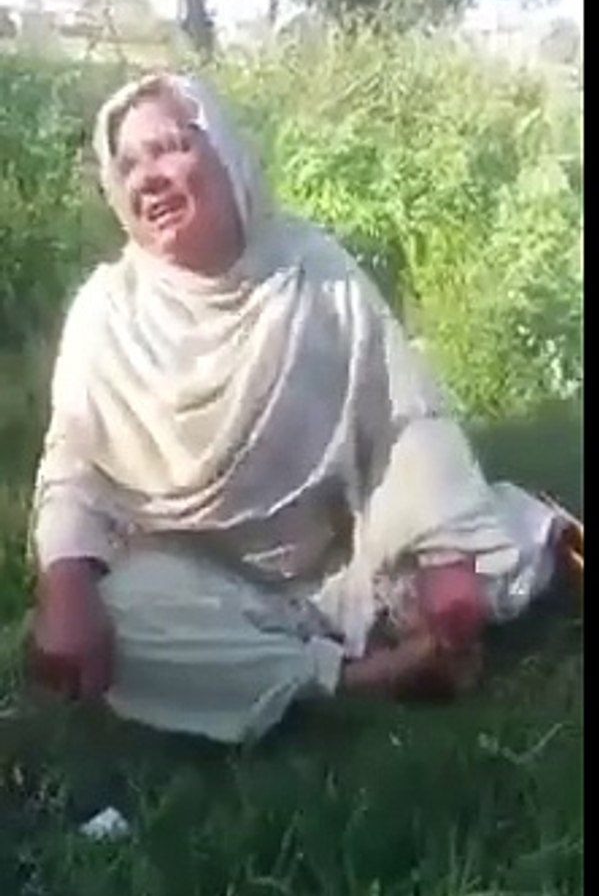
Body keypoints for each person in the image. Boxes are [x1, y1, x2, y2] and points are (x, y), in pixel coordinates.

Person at [30, 72, 573, 744]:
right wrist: (67, 590)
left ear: (226, 153)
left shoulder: (311, 269)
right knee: (125, 619)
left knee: (480, 553)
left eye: (169, 148)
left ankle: (401, 628)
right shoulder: (106, 311)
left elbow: (404, 420)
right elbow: (73, 467)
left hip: (343, 561)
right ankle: (368, 673)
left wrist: (445, 556)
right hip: (204, 583)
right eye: (128, 164)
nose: (148, 178)